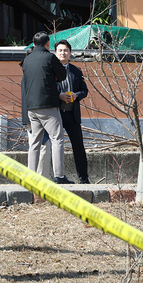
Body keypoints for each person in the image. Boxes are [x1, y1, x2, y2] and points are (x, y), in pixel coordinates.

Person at [21, 31, 71, 184]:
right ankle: (59, 175)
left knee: (35, 142)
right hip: (48, 105)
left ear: (34, 44)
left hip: (31, 107)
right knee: (57, 139)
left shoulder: (27, 60)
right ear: (47, 44)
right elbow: (62, 75)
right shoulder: (50, 57)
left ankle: (30, 175)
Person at [55, 40, 90, 184]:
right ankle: (56, 176)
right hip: (55, 113)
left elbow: (85, 90)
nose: (63, 53)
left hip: (72, 114)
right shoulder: (50, 70)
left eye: (66, 50)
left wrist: (77, 95)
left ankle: (84, 178)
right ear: (55, 53)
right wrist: (59, 95)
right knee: (55, 145)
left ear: (70, 53)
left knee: (78, 146)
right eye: (60, 50)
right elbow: (46, 89)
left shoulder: (76, 70)